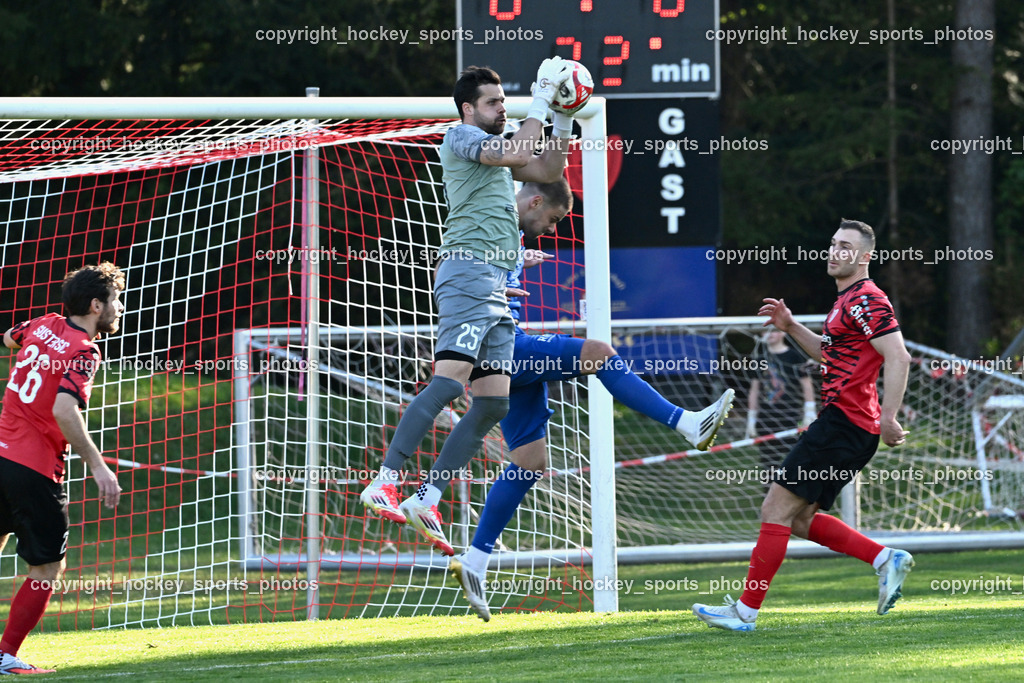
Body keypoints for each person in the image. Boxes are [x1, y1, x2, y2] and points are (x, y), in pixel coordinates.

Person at [449, 179, 735, 621]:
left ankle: (476, 560)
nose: (549, 228)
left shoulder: (508, 235)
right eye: (552, 219)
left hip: (501, 354)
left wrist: (511, 263)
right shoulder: (492, 216)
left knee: (529, 462)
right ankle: (686, 422)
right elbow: (456, 264)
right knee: (599, 353)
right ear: (535, 200)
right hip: (502, 348)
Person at [360, 60, 576, 556]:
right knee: (449, 380)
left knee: (494, 402)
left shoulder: (499, 153)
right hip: (468, 271)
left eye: (505, 101)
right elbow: (523, 149)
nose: (502, 108)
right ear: (468, 109)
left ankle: (427, 495)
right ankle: (385, 481)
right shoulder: (460, 137)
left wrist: (562, 117)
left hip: (495, 283)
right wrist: (541, 102)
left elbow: (545, 170)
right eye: (494, 102)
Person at [692, 219, 914, 632]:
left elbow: (899, 356)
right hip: (849, 426)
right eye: (833, 244)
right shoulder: (847, 300)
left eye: (846, 246)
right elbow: (831, 356)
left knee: (774, 508)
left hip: (844, 424)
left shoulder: (866, 298)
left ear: (866, 256)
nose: (835, 251)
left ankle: (745, 612)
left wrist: (889, 417)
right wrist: (791, 326)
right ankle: (885, 559)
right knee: (797, 519)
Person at [0, 263, 124, 674]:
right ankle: (5, 655)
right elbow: (64, 408)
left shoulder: (42, 323)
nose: (118, 308)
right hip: (32, 467)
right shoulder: (85, 351)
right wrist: (98, 465)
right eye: (114, 301)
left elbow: (7, 338)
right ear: (95, 305)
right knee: (48, 567)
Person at [747, 327, 816, 480]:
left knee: (794, 460)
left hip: (790, 416)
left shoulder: (795, 356)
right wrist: (751, 419)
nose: (769, 334)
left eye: (774, 330)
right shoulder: (759, 359)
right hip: (766, 419)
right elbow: (755, 389)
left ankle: (793, 495)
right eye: (765, 331)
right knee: (768, 463)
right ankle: (769, 496)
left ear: (783, 332)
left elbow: (807, 384)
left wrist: (810, 411)